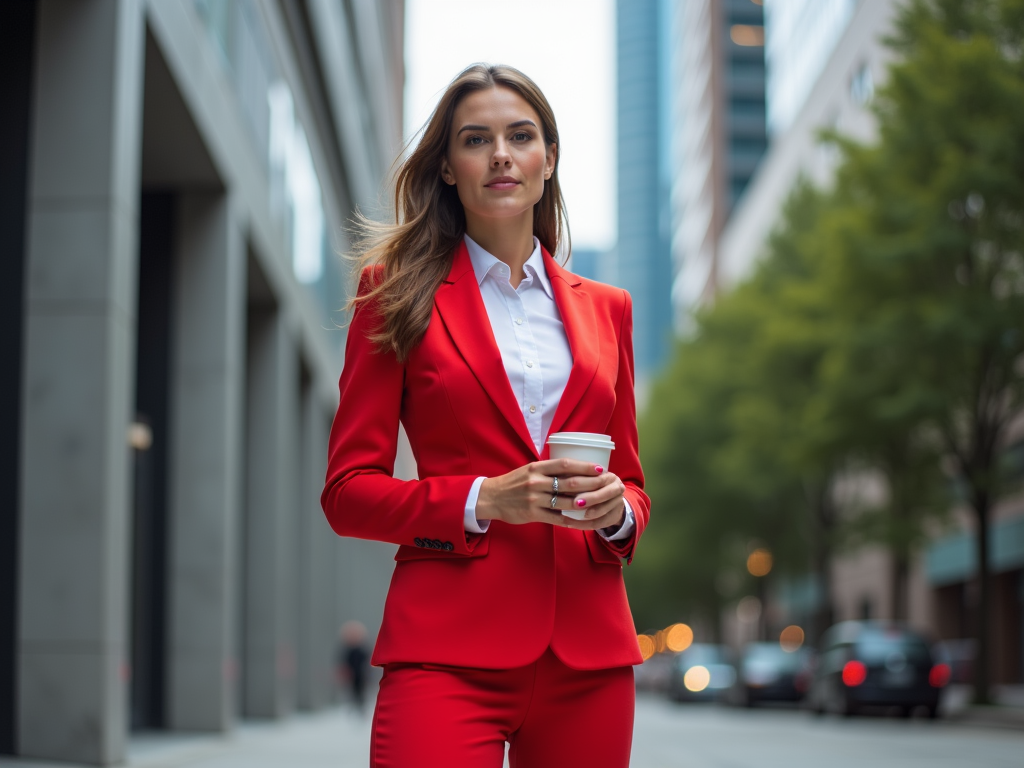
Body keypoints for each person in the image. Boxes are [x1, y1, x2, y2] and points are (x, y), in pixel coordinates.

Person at [321, 63, 650, 768]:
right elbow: (348, 493)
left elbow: (633, 482)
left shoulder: (609, 309)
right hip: (444, 647)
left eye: (520, 135)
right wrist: (483, 499)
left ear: (548, 158)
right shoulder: (393, 293)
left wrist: (618, 513)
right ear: (447, 166)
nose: (501, 153)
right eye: (476, 139)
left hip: (588, 654)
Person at [337, 620, 369, 713]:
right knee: (351, 691)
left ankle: (360, 706)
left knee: (360, 691)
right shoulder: (348, 651)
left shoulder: (362, 650)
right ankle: (353, 706)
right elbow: (343, 662)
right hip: (351, 674)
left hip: (360, 674)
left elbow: (367, 661)